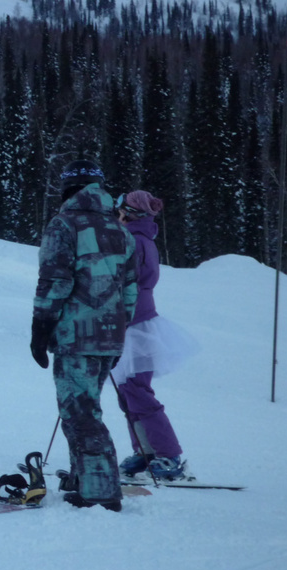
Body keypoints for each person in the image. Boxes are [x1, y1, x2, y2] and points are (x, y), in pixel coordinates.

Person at [30, 159, 138, 511]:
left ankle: (101, 490)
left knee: (80, 414)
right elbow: (131, 290)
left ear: (67, 188)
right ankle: (84, 478)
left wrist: (40, 328)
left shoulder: (64, 225)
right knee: (85, 407)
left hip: (76, 336)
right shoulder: (120, 230)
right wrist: (119, 330)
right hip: (109, 337)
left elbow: (55, 281)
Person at [112, 190, 199, 480]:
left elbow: (124, 281)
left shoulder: (134, 241)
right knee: (129, 393)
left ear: (129, 213)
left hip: (136, 325)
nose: (115, 215)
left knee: (137, 391)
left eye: (119, 210)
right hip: (131, 323)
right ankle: (146, 452)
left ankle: (169, 456)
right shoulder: (138, 238)